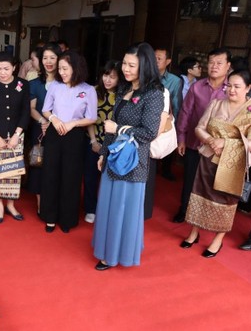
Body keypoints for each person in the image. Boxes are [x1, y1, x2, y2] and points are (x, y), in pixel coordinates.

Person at [92, 42, 164, 270]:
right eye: (125, 63)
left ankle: (114, 255)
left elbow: (150, 132)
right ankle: (106, 247)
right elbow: (112, 124)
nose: (126, 68)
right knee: (108, 206)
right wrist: (103, 152)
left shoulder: (154, 94)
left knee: (123, 208)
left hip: (133, 161)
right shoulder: (124, 89)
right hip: (114, 156)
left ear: (145, 66)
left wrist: (120, 130)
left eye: (132, 65)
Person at [180, 69, 251, 257]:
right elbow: (199, 128)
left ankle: (217, 239)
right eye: (229, 86)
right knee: (200, 194)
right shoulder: (216, 103)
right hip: (209, 158)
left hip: (232, 165)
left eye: (237, 87)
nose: (232, 90)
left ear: (248, 88)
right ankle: (194, 232)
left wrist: (226, 142)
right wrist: (211, 140)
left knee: (225, 201)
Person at [41, 50, 97, 233]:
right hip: (54, 133)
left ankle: (67, 219)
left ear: (76, 68)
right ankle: (49, 217)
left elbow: (92, 118)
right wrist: (54, 120)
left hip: (74, 136)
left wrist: (73, 123)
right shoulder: (55, 86)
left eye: (65, 69)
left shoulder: (88, 90)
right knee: (51, 175)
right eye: (60, 69)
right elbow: (46, 110)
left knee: (71, 178)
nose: (62, 72)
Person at [173, 47, 231, 223]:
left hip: (219, 147)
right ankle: (184, 209)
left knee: (213, 182)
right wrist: (181, 137)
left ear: (228, 65)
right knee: (190, 178)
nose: (214, 66)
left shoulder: (232, 89)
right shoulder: (197, 86)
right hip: (194, 142)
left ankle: (206, 216)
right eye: (211, 62)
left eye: (219, 63)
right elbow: (185, 112)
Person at [0, 51, 30, 223]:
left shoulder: (22, 84)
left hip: (15, 137)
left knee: (12, 173)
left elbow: (26, 112)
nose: (2, 72)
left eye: (6, 69)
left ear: (14, 68)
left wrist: (17, 134)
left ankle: (10, 204)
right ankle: (0, 206)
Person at [84, 60, 123, 224]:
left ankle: (106, 210)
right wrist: (93, 141)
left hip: (115, 143)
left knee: (111, 178)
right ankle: (90, 209)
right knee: (90, 177)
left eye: (112, 77)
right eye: (106, 75)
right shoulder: (93, 91)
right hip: (95, 140)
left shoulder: (123, 95)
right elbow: (89, 119)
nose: (108, 80)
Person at [26, 43, 61, 216]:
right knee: (39, 165)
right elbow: (31, 108)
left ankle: (53, 201)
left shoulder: (65, 83)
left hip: (60, 130)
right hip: (39, 130)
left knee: (55, 166)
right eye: (45, 58)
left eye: (52, 58)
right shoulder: (34, 84)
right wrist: (42, 121)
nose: (48, 62)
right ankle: (41, 205)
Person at [154, 47, 183, 182]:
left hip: (164, 117)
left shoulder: (175, 80)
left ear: (168, 61)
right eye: (153, 57)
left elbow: (176, 103)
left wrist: (174, 123)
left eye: (159, 58)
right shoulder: (145, 75)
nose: (155, 60)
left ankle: (165, 169)